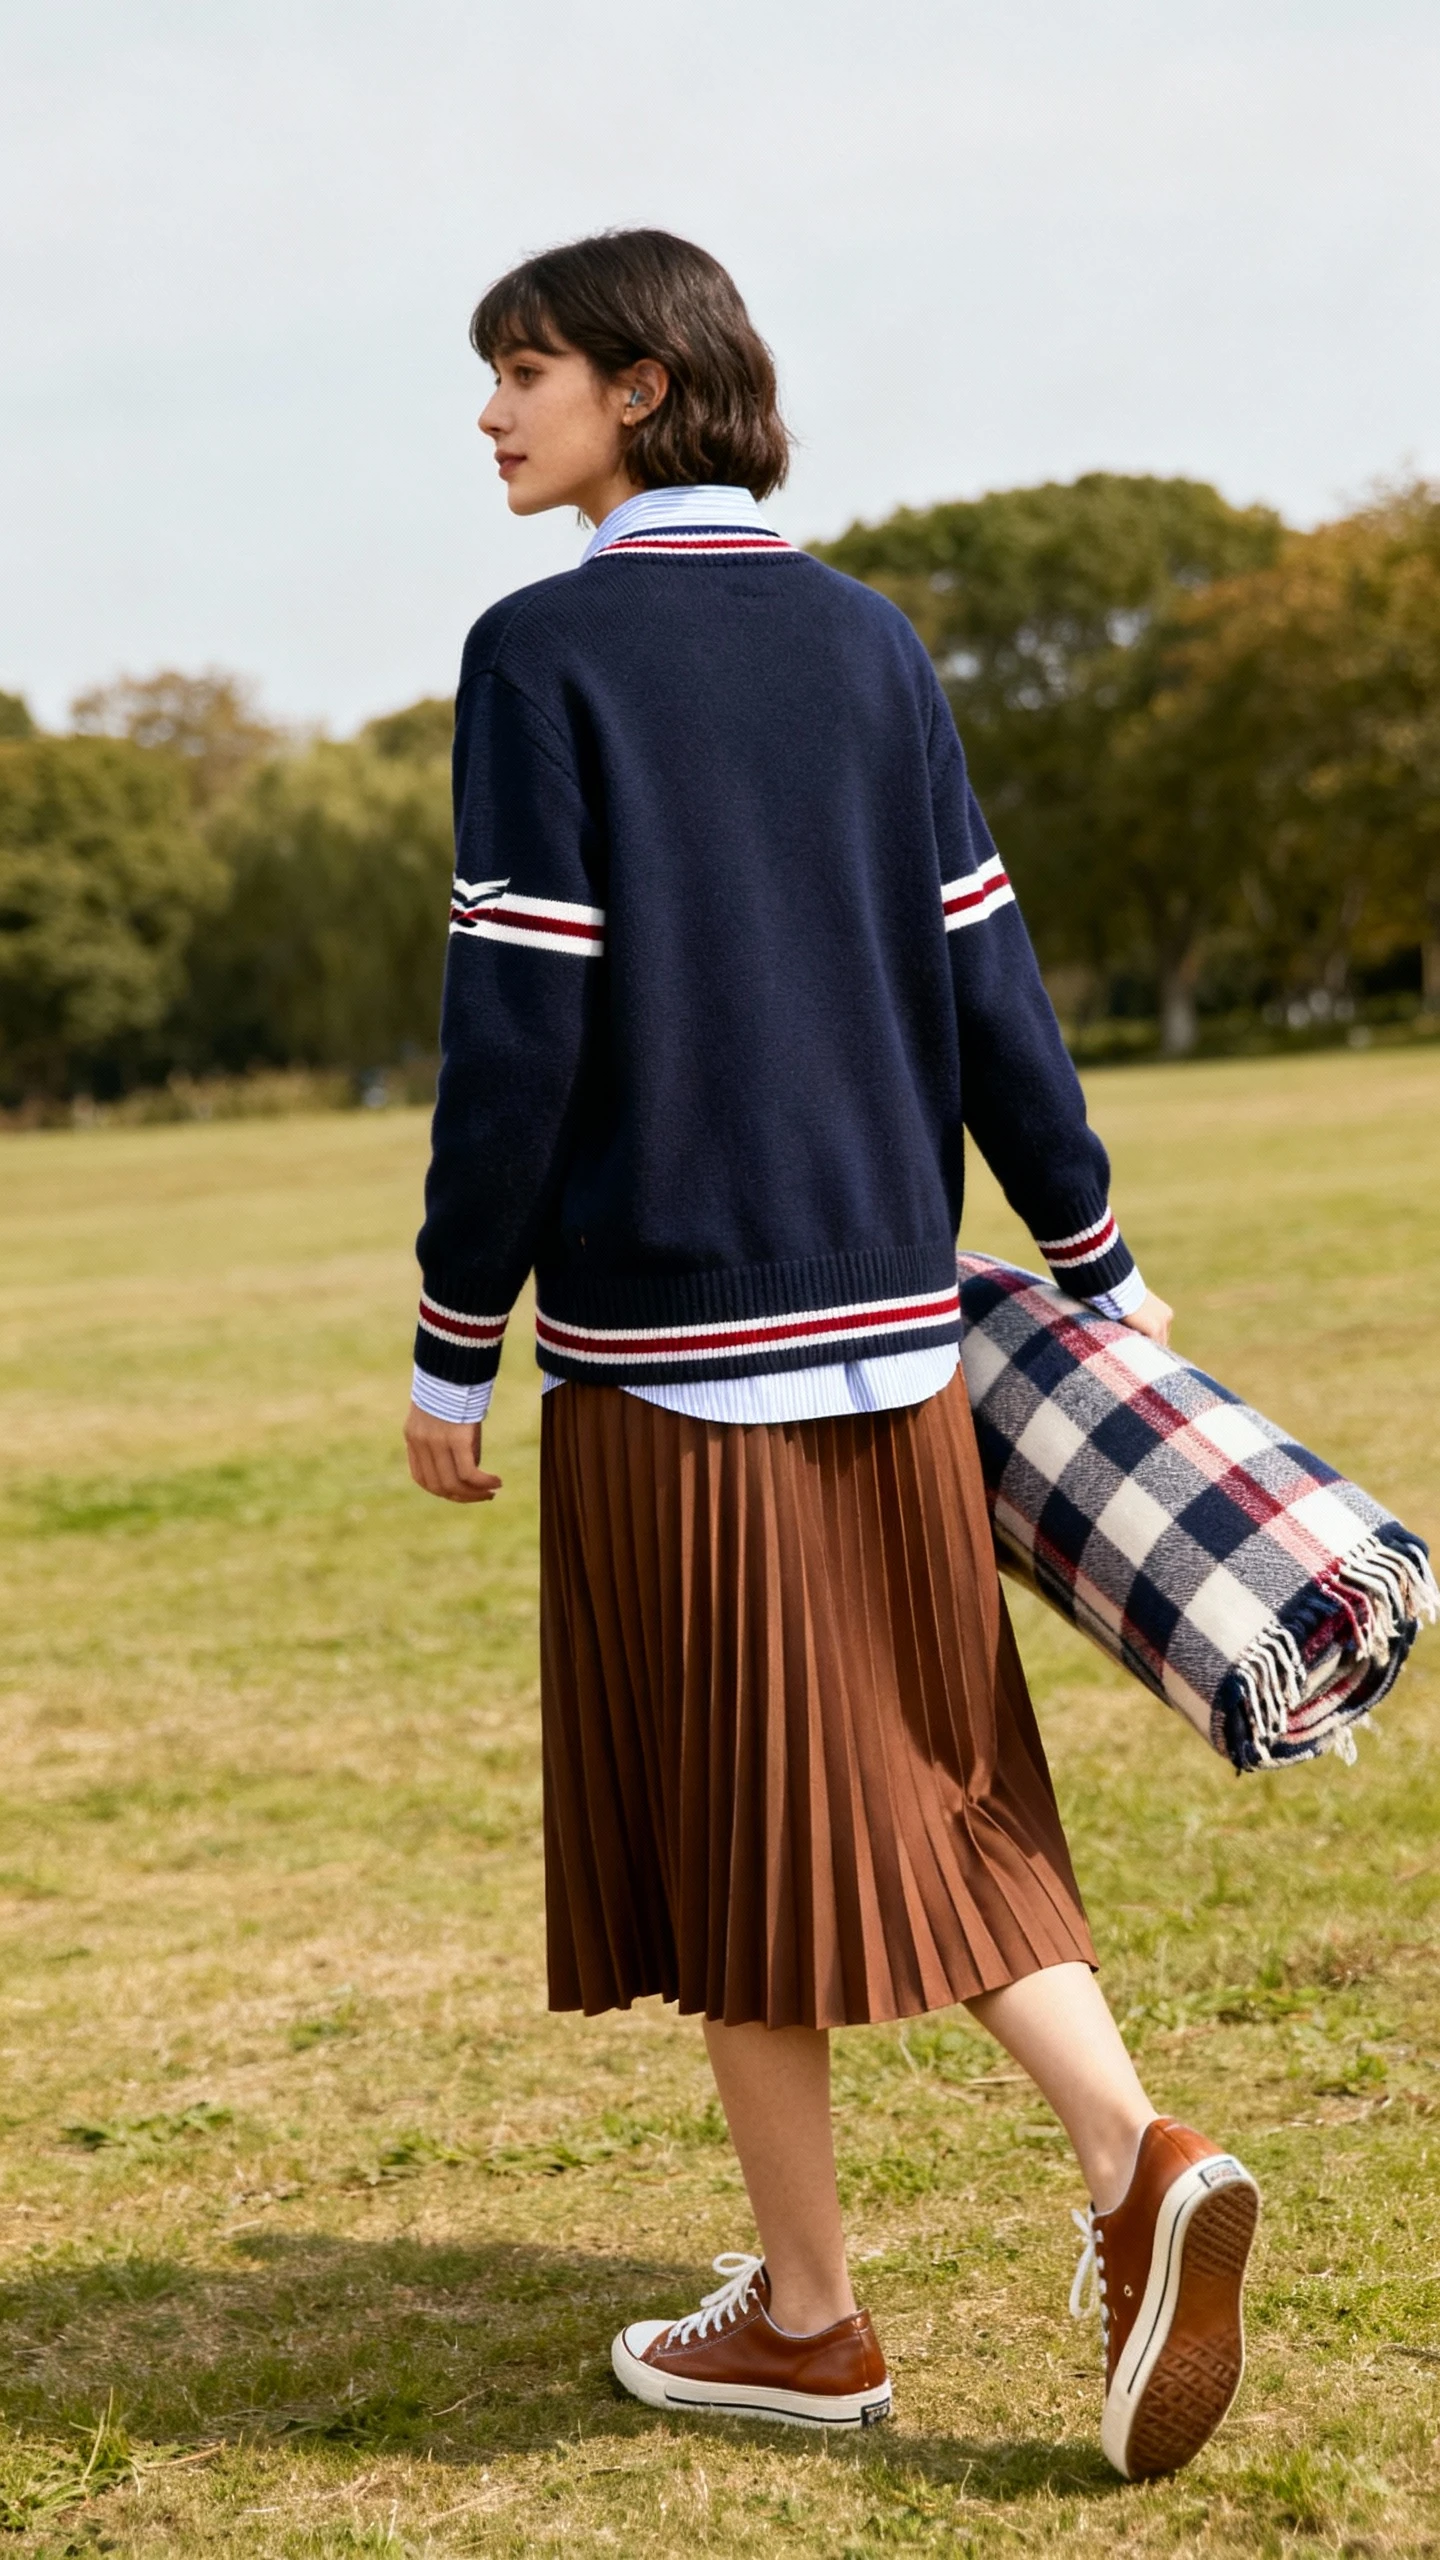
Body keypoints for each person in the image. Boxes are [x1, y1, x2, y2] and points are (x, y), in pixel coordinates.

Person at [403, 228, 1259, 2480]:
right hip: (901, 1342)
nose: (493, 415)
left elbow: (519, 1027)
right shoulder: (874, 644)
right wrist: (1091, 1240)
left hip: (673, 1352)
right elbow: (994, 977)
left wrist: (445, 1337)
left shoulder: (541, 654)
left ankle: (1128, 2153)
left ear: (654, 390)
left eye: (530, 372)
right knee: (861, 1790)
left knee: (790, 1808)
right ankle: (804, 2313)